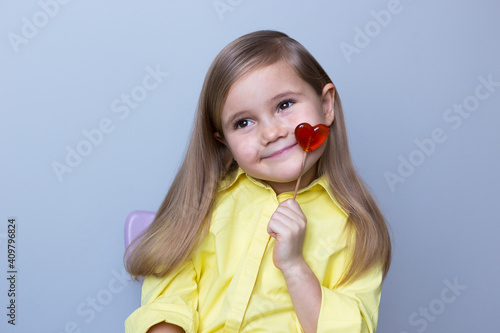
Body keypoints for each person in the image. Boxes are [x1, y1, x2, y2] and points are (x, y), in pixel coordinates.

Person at [124, 30, 391, 333]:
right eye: (244, 123)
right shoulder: (204, 207)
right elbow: (168, 302)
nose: (271, 132)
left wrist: (294, 265)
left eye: (285, 105)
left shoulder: (356, 228)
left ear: (326, 105)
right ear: (223, 140)